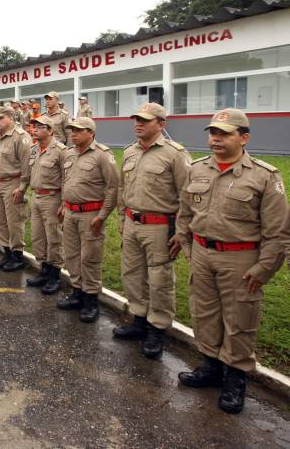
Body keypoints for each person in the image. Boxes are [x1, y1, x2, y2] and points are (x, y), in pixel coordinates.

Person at [172, 108, 288, 414]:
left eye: (224, 133)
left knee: (239, 319)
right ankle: (211, 367)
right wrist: (187, 247)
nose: (216, 139)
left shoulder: (264, 176)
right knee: (204, 313)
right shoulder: (198, 170)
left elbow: (278, 232)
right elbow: (185, 215)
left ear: (244, 137)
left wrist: (264, 268)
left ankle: (235, 379)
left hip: (241, 258)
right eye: (213, 133)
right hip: (203, 254)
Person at [114, 103, 191, 359]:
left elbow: (187, 196)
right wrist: (122, 217)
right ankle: (139, 319)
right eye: (136, 119)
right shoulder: (130, 152)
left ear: (161, 124)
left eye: (145, 121)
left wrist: (181, 232)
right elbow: (123, 189)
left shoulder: (175, 154)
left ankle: (157, 328)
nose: (138, 124)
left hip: (159, 226)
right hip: (132, 223)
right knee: (132, 274)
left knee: (159, 279)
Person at [57, 117, 119, 323]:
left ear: (91, 133)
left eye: (78, 130)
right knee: (72, 255)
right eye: (72, 130)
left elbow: (112, 188)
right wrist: (64, 204)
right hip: (71, 212)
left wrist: (102, 216)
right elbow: (67, 182)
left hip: (90, 215)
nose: (73, 133)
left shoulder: (102, 155)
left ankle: (91, 300)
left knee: (90, 257)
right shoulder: (70, 153)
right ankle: (77, 292)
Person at [23, 115, 68, 294]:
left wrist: (64, 203)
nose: (35, 129)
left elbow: (67, 179)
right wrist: (21, 188)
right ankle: (44, 270)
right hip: (37, 197)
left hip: (53, 197)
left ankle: (55, 275)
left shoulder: (60, 150)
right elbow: (27, 173)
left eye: (40, 127)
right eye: (34, 126)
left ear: (50, 130)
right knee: (38, 236)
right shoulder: (34, 149)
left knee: (54, 238)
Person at [0, 106, 32, 272]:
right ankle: (7, 252)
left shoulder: (20, 137)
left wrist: (22, 188)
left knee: (14, 221)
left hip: (12, 184)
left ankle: (17, 256)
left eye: (1, 118)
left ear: (11, 119)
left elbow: (26, 165)